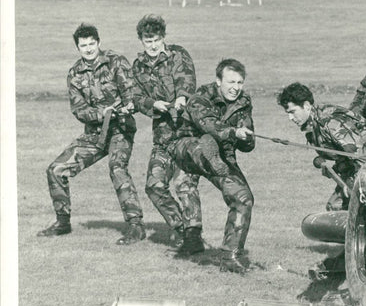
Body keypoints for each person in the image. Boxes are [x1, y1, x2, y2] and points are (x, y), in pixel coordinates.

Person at [39, 23, 146, 245]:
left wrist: (125, 108)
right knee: (56, 169)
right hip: (95, 135)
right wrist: (101, 113)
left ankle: (135, 226)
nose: (88, 49)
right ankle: (62, 222)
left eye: (91, 44)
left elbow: (131, 93)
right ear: (77, 47)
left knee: (117, 169)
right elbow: (79, 110)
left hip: (120, 130)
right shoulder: (74, 74)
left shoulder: (116, 62)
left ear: (98, 42)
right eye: (83, 45)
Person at [167, 59, 255, 274]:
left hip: (222, 157)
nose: (235, 87)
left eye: (240, 82)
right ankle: (210, 156)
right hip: (186, 147)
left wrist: (245, 138)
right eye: (230, 81)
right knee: (205, 142)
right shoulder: (200, 97)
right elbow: (208, 124)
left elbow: (248, 144)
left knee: (244, 198)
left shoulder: (243, 102)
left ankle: (230, 256)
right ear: (218, 81)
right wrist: (233, 132)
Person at [131, 15, 204, 257]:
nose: (152, 45)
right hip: (162, 136)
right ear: (141, 40)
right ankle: (182, 229)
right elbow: (137, 97)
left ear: (164, 38)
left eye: (156, 39)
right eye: (147, 40)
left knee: (185, 184)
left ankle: (194, 236)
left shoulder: (178, 55)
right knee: (154, 186)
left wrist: (181, 99)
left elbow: (187, 80)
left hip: (187, 132)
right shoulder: (138, 66)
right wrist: (155, 104)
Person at [278, 82, 366, 211]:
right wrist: (337, 171)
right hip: (362, 171)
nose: (290, 118)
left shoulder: (331, 123)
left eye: (292, 111)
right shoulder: (314, 124)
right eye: (287, 113)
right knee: (334, 207)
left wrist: (355, 186)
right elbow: (344, 157)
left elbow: (363, 158)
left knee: (343, 209)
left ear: (306, 106)